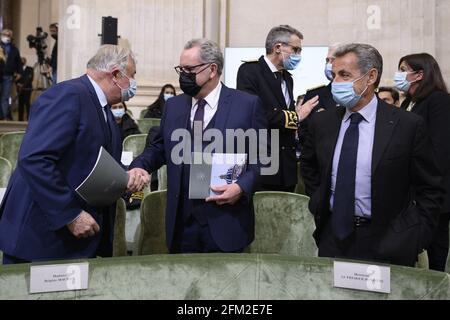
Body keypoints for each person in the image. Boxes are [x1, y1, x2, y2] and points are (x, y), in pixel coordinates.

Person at [0, 45, 146, 264]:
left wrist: (125, 180)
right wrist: (70, 215)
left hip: (74, 244)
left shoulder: (103, 108)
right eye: (132, 76)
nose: (134, 84)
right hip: (42, 239)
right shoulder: (67, 95)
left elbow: (89, 162)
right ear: (116, 74)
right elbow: (35, 159)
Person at [300, 43, 443, 267]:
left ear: (371, 77)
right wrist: (319, 202)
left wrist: (415, 235)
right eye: (335, 75)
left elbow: (430, 188)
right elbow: (310, 167)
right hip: (333, 239)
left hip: (391, 242)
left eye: (344, 75)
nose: (335, 82)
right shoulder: (323, 122)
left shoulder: (407, 125)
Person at [128, 39, 267, 254]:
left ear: (212, 69)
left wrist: (241, 187)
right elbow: (158, 148)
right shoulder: (173, 107)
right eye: (180, 69)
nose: (183, 75)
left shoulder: (247, 105)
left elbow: (265, 158)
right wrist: (140, 166)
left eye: (189, 69)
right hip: (182, 224)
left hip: (226, 222)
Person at [237, 25, 318, 192]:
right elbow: (254, 115)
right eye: (295, 50)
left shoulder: (287, 78)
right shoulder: (250, 71)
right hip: (263, 163)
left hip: (286, 167)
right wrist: (296, 117)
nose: (298, 55)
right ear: (278, 47)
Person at [394, 53, 450, 271]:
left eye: (403, 69)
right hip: (410, 191)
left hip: (433, 190)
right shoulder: (409, 102)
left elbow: (440, 150)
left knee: (435, 247)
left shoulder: (439, 101)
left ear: (419, 74)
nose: (398, 75)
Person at [298, 44, 340, 150]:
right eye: (327, 60)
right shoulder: (314, 96)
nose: (329, 64)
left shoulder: (357, 94)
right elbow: (303, 134)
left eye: (333, 60)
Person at [0, 29, 22, 121]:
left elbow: (18, 62)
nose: (7, 36)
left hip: (8, 75)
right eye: (5, 34)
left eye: (9, 35)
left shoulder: (14, 49)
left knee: (5, 97)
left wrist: (20, 72)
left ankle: (3, 117)